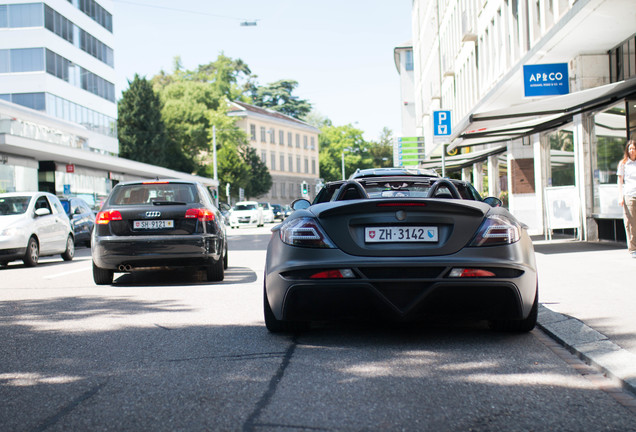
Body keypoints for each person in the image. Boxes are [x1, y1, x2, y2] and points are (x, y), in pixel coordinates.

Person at [617, 139, 636, 258]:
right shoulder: (623, 163)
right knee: (631, 223)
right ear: (627, 150)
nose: (632, 151)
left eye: (634, 148)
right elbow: (620, 181)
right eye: (630, 149)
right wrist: (620, 196)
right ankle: (633, 248)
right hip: (629, 195)